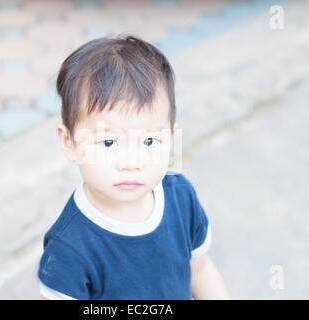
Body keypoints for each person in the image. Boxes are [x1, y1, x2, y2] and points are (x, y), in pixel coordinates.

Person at [38, 34, 229, 299]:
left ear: (171, 139)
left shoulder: (181, 198)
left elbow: (201, 270)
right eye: (108, 143)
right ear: (69, 142)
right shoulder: (69, 247)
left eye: (149, 141)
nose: (131, 163)